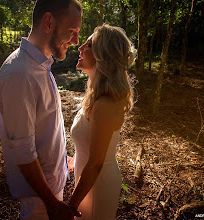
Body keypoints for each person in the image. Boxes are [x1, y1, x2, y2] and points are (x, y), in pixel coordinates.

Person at [0, 0, 82, 219]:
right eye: (72, 31)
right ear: (49, 22)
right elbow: (23, 151)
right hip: (40, 202)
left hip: (50, 191)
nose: (75, 41)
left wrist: (62, 158)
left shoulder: (41, 66)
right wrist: (52, 204)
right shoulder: (20, 74)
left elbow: (44, 129)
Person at [68, 24, 136, 219]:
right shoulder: (97, 96)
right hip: (88, 177)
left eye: (88, 45)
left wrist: (71, 205)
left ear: (102, 55)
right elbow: (92, 143)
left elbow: (96, 162)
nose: (80, 47)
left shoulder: (106, 104)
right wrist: (75, 157)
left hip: (98, 183)